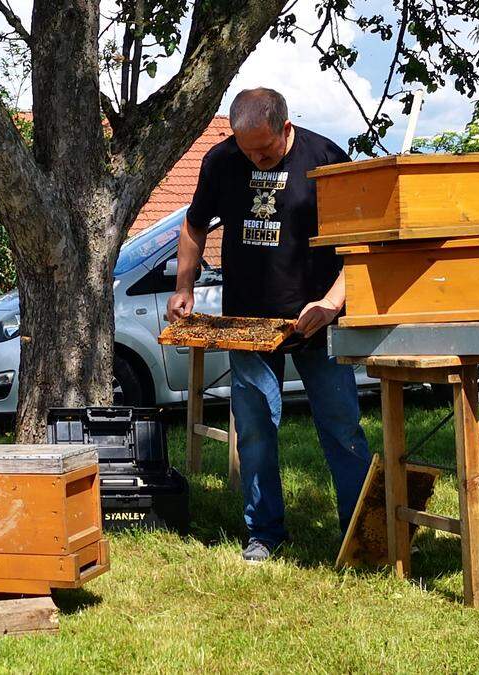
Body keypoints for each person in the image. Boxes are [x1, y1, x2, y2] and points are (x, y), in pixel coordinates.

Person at [166, 88, 371, 564]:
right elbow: (194, 225)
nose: (256, 159)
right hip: (249, 325)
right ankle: (265, 532)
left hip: (315, 324)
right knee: (255, 429)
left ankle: (361, 531)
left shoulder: (324, 159)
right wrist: (184, 286)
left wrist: (332, 304)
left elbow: (360, 246)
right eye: (247, 150)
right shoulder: (221, 161)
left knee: (341, 427)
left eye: (265, 149)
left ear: (286, 127)